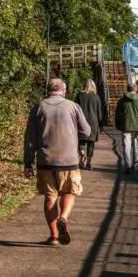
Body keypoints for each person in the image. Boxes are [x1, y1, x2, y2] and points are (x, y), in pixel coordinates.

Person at [23, 78, 91, 246]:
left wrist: (27, 163)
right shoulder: (73, 106)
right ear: (64, 90)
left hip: (45, 160)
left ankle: (54, 236)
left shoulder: (38, 107)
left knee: (50, 197)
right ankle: (64, 217)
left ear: (48, 90)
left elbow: (30, 139)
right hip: (69, 160)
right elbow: (87, 132)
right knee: (69, 191)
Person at [114, 83, 138, 174]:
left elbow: (117, 114)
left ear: (127, 89)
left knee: (126, 147)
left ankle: (128, 166)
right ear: (136, 90)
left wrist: (117, 124)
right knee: (136, 146)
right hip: (137, 128)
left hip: (125, 127)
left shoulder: (122, 101)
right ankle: (136, 164)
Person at [75, 79, 103, 169]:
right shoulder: (96, 97)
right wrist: (101, 124)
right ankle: (88, 164)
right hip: (93, 123)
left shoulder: (79, 95)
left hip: (81, 121)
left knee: (81, 140)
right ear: (94, 87)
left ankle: (82, 154)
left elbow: (75, 109)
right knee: (91, 144)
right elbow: (99, 112)